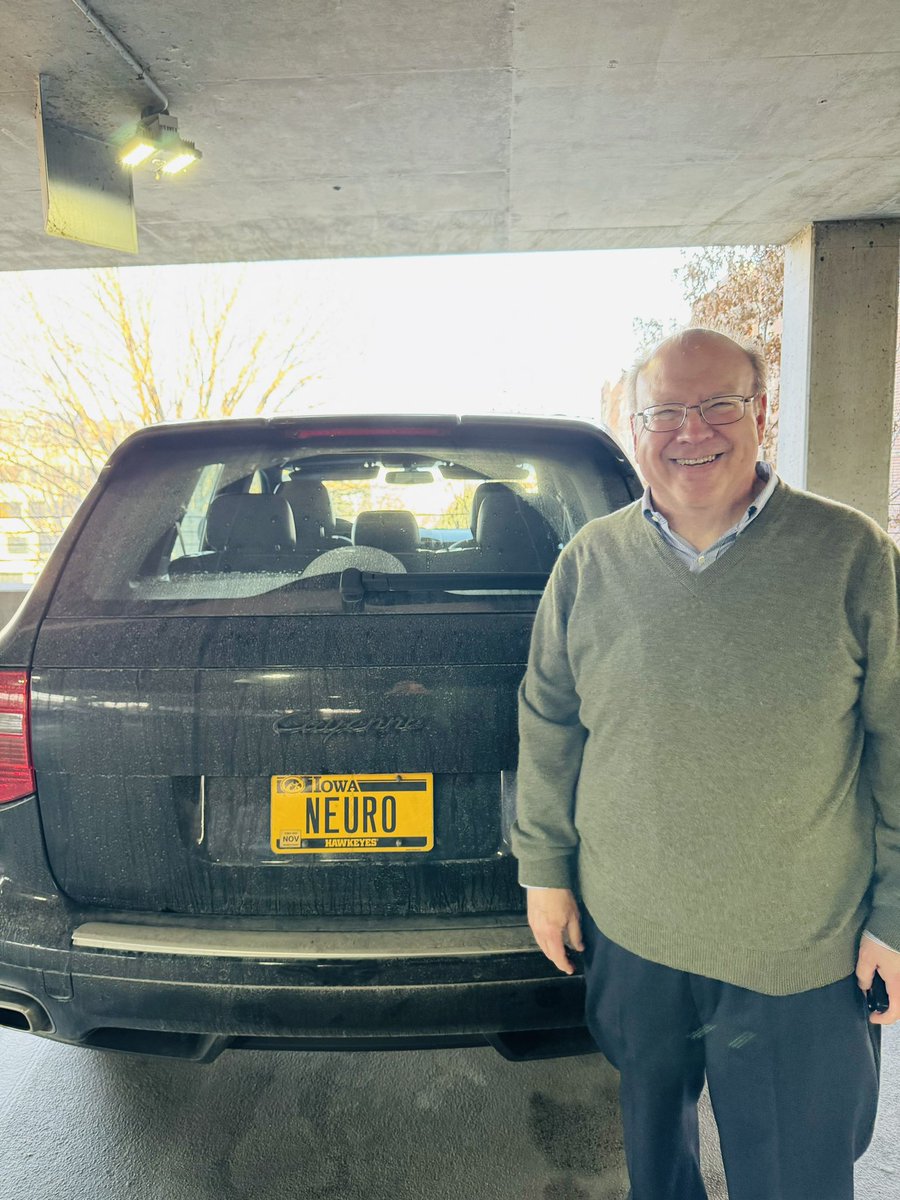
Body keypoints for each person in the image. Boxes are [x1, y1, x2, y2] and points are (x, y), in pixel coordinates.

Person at [511, 327, 899, 1200]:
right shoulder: (591, 562)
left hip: (799, 949)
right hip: (635, 936)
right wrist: (545, 870)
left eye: (719, 403)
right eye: (666, 412)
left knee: (795, 1178)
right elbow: (550, 717)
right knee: (659, 1173)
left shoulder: (852, 557)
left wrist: (896, 914)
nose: (693, 430)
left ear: (760, 412)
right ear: (633, 425)